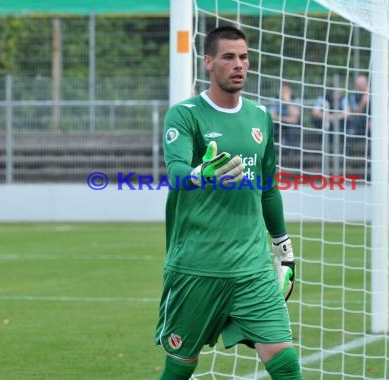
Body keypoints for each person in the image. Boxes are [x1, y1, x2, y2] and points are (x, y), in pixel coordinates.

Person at [155, 25, 302, 380]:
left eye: (244, 57)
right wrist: (201, 172)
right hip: (198, 264)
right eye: (228, 57)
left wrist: (283, 246)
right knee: (179, 368)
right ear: (208, 62)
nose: (239, 64)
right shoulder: (185, 114)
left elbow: (268, 188)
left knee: (285, 361)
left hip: (252, 268)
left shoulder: (260, 118)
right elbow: (175, 172)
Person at [268, 83, 301, 149]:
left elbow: (295, 117)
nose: (284, 93)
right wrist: (286, 119)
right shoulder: (274, 99)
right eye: (282, 91)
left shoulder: (296, 99)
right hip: (278, 124)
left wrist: (287, 102)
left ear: (290, 91)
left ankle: (291, 151)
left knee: (292, 126)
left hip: (289, 124)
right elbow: (271, 116)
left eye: (286, 91)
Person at [345, 75, 370, 154]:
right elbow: (356, 113)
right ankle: (348, 151)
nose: (357, 86)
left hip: (372, 122)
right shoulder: (353, 96)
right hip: (358, 121)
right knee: (352, 124)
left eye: (361, 84)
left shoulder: (376, 95)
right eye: (357, 84)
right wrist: (363, 102)